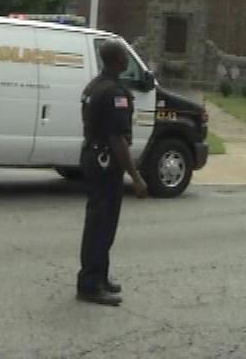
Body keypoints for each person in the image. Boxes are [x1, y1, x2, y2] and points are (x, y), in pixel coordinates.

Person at [76, 40, 149, 306]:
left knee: (101, 222)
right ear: (119, 60)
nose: (129, 60)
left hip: (92, 155)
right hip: (106, 159)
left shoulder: (94, 86)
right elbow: (117, 139)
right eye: (126, 56)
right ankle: (90, 284)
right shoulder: (114, 93)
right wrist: (137, 177)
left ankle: (100, 276)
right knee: (101, 225)